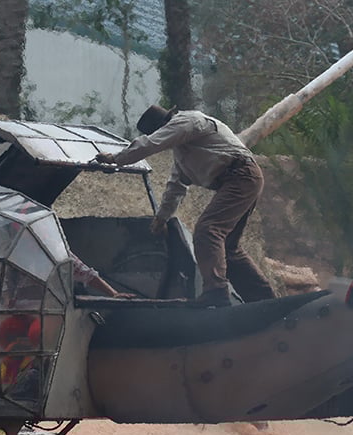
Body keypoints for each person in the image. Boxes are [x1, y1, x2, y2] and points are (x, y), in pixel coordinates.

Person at [95, 104, 276, 307]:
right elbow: (176, 186)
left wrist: (116, 159)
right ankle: (263, 300)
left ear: (163, 126)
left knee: (208, 230)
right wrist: (162, 218)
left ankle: (216, 291)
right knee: (228, 247)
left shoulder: (187, 121)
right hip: (240, 178)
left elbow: (151, 144)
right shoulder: (183, 152)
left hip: (240, 175)